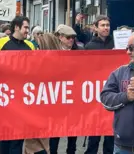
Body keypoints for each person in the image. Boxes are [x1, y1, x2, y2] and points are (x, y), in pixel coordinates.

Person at [0, 16, 35, 154]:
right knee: (4, 139)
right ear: (16, 27)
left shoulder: (31, 46)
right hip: (4, 99)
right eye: (26, 27)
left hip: (22, 100)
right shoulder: (0, 43)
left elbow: (36, 70)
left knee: (17, 140)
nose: (28, 30)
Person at [84, 15, 115, 154]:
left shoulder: (116, 44)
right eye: (102, 25)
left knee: (110, 133)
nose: (106, 28)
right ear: (96, 28)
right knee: (94, 133)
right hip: (95, 93)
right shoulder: (89, 46)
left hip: (112, 92)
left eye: (107, 25)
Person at [49, 25, 81, 154]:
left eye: (73, 37)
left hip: (72, 96)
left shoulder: (79, 53)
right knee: (55, 130)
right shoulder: (50, 53)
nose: (71, 40)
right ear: (60, 37)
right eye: (68, 37)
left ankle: (71, 151)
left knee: (73, 130)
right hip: (57, 96)